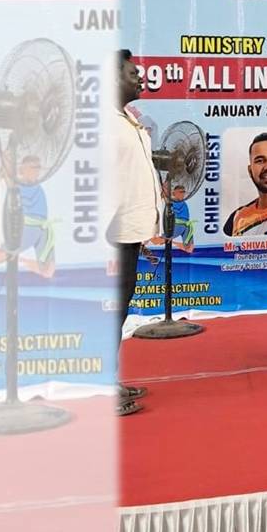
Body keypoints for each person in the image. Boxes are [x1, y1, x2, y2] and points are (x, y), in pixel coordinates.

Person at [107, 49, 157, 415]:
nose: (140, 78)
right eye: (132, 73)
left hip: (130, 232)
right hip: (111, 235)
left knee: (120, 309)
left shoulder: (125, 120)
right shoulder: (102, 123)